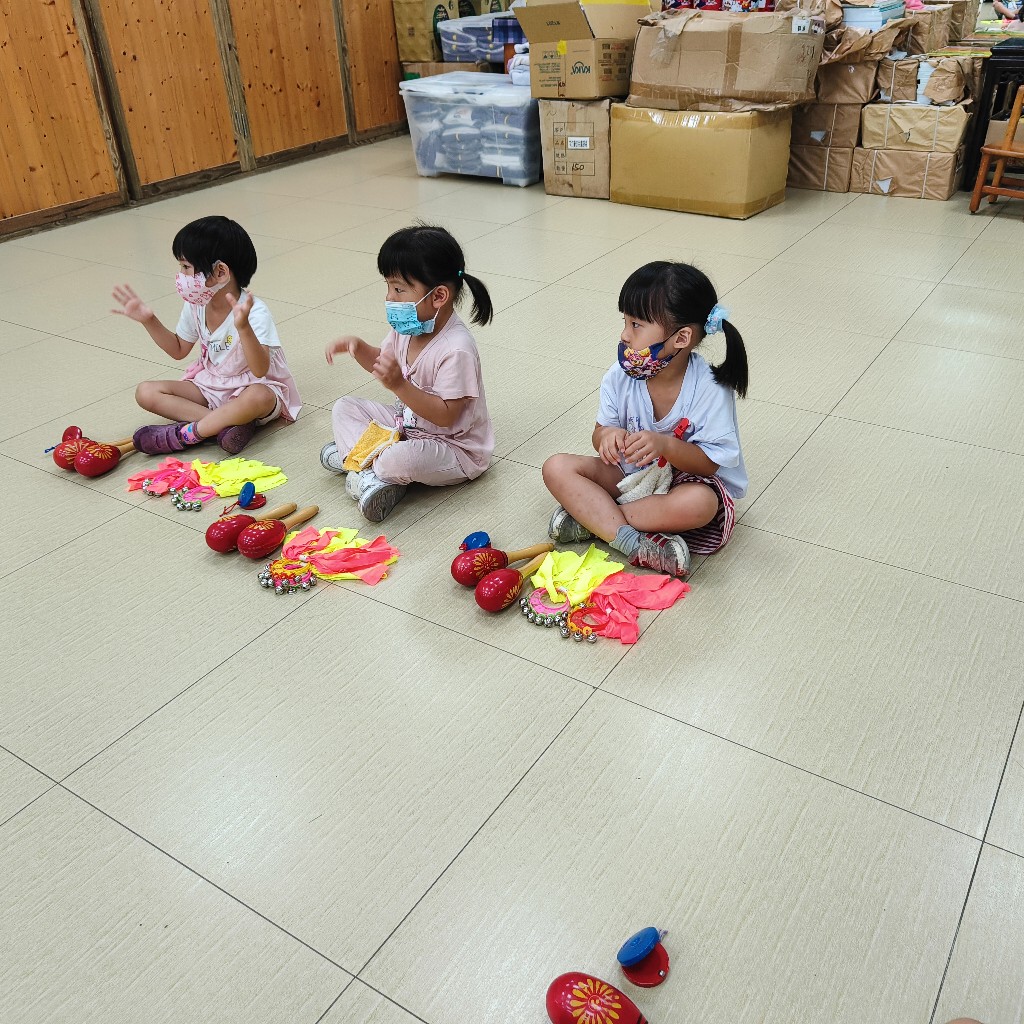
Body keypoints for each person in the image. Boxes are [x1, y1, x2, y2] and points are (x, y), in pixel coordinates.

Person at [542, 261, 748, 578]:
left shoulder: (711, 388)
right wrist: (606, 436)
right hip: (631, 476)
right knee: (556, 467)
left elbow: (709, 464)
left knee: (700, 504)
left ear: (682, 338)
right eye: (625, 321)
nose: (624, 335)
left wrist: (665, 445)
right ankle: (632, 541)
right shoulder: (619, 376)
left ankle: (597, 520)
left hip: (683, 483)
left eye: (636, 324)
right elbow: (599, 433)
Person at [321, 225, 494, 523]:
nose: (390, 297)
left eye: (399, 289)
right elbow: (384, 363)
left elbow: (446, 416)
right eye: (388, 287)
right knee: (344, 407)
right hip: (407, 426)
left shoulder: (457, 349)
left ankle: (367, 466)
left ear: (438, 296)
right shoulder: (408, 328)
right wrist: (359, 349)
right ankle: (370, 468)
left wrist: (399, 385)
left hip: (453, 447)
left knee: (397, 459)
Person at [114, 215, 300, 455]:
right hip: (210, 384)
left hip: (251, 387)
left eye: (186, 267)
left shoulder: (254, 311)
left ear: (220, 272)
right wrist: (149, 320)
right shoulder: (196, 304)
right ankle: (224, 425)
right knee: (146, 392)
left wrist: (243, 328)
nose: (181, 276)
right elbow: (178, 349)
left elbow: (260, 370)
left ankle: (189, 434)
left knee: (259, 396)